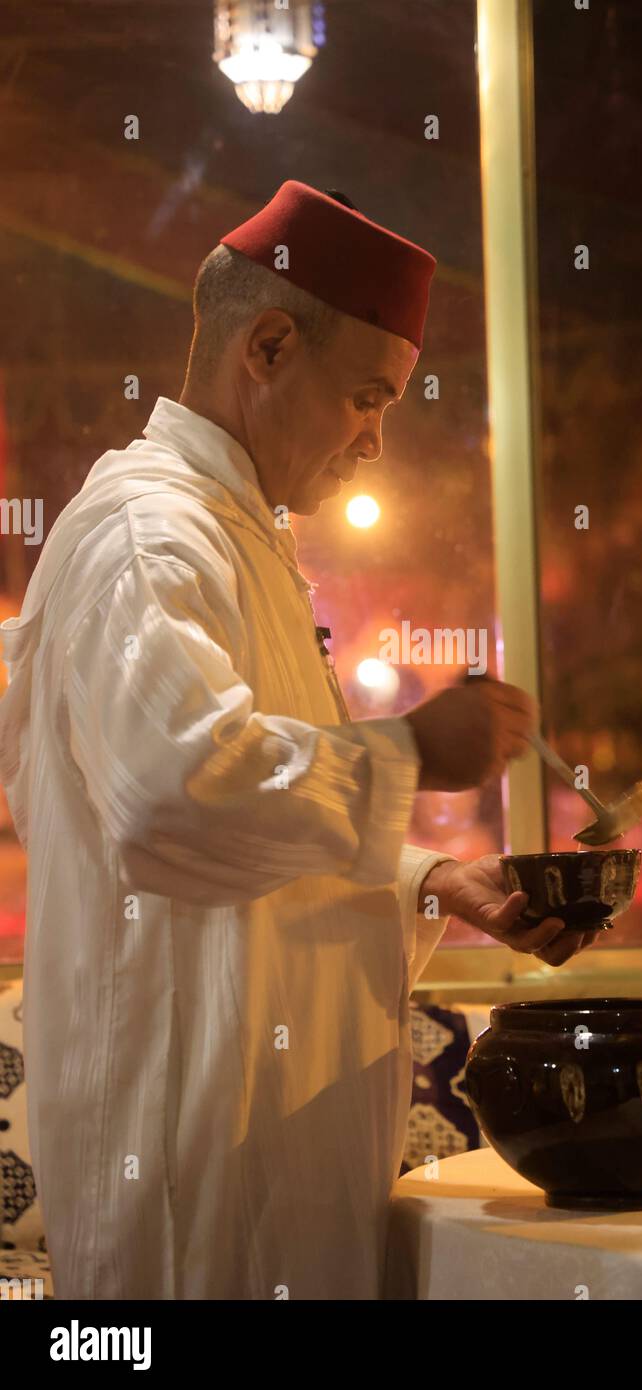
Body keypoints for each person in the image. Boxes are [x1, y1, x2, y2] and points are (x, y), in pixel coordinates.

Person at [0, 181, 593, 1300]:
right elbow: (178, 798)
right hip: (193, 1181)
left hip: (268, 1153)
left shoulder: (237, 539)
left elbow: (261, 824)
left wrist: (432, 879)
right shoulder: (150, 536)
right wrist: (411, 750)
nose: (374, 441)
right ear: (268, 345)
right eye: (368, 397)